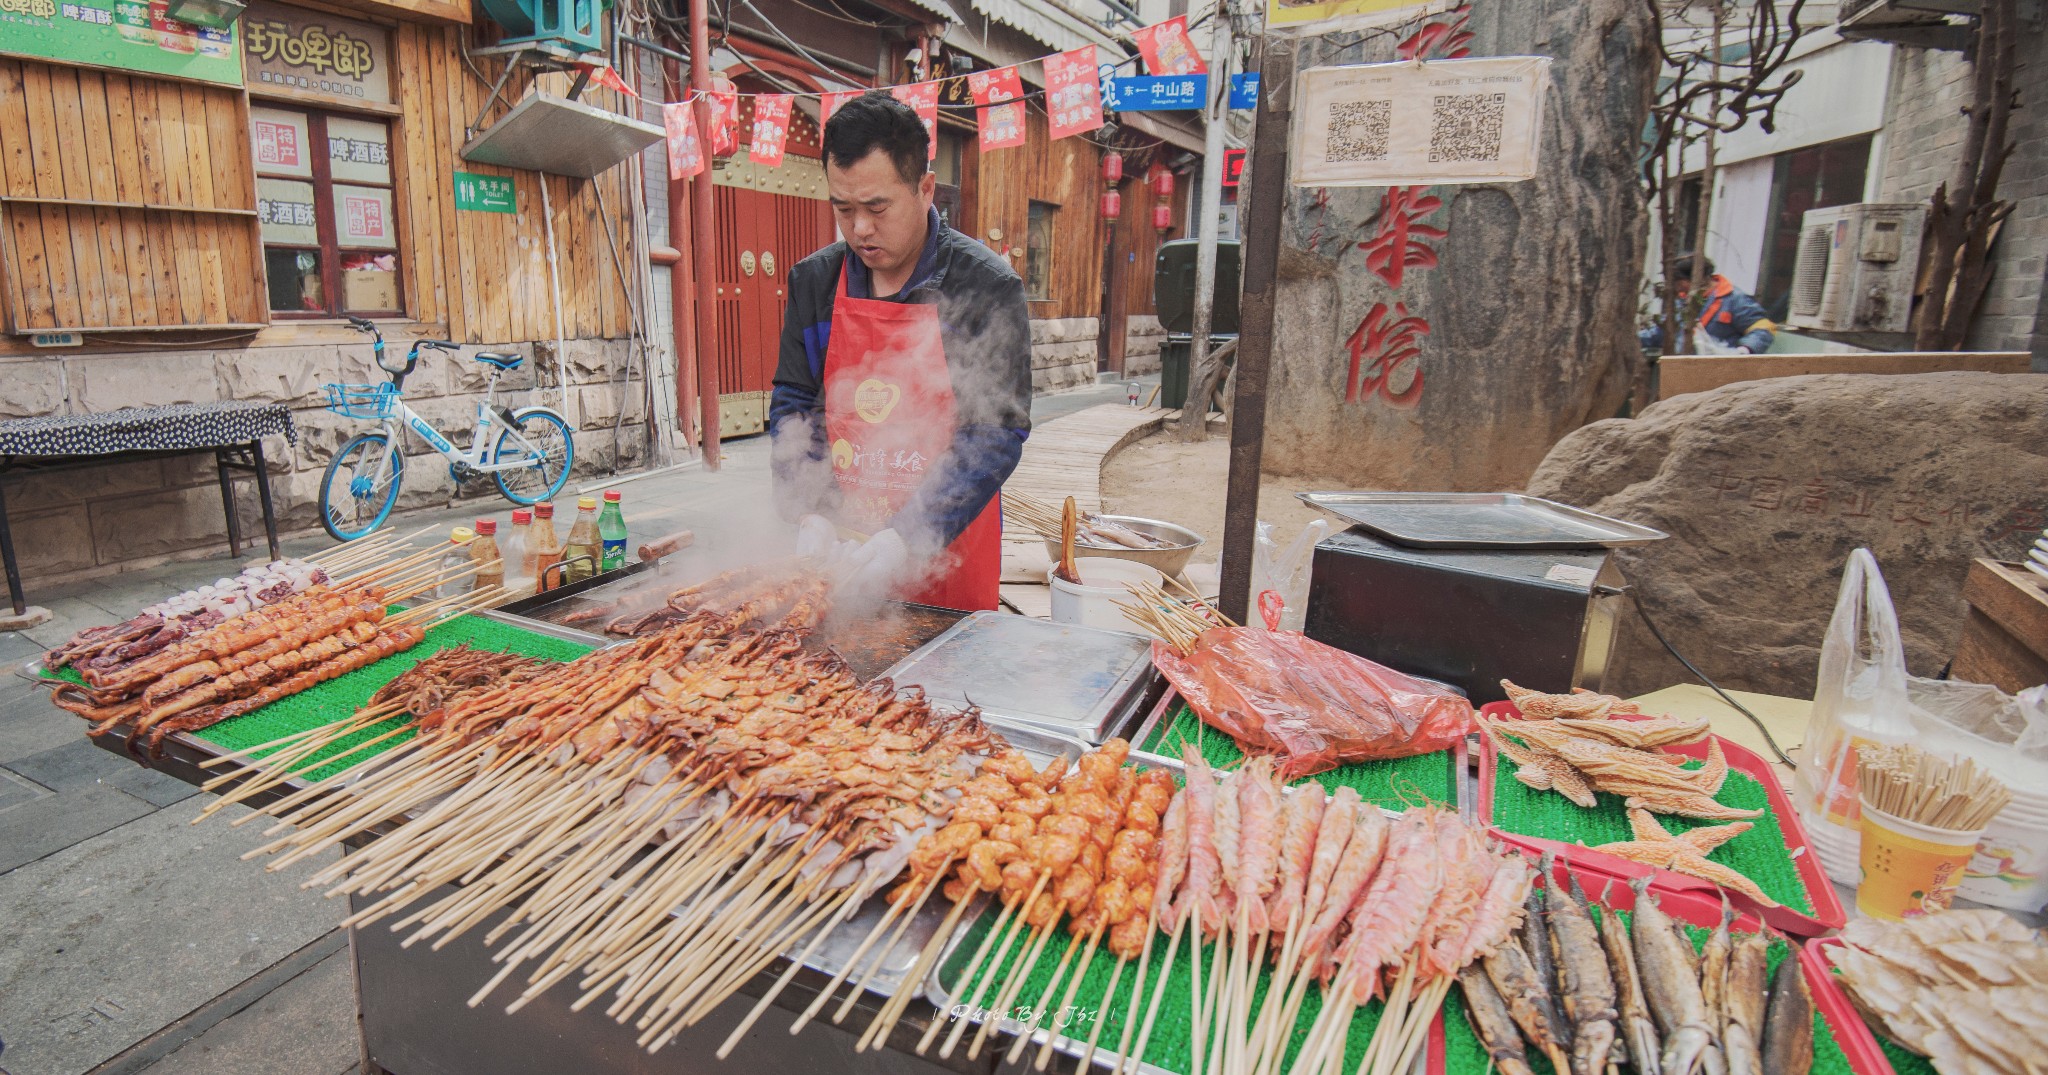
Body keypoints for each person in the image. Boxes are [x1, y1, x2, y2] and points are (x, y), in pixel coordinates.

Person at [768, 91, 1032, 612]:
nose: (860, 228)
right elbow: (795, 400)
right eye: (843, 208)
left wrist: (908, 534)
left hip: (948, 557)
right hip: (841, 563)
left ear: (925, 188)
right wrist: (811, 509)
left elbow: (994, 433)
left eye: (877, 207)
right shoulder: (815, 282)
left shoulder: (985, 287)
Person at [1639, 254, 1777, 354]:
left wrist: (1744, 350)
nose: (1677, 288)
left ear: (1698, 277)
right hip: (1683, 370)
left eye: (1680, 282)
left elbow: (1763, 329)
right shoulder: (1681, 302)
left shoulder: (1734, 299)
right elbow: (1661, 333)